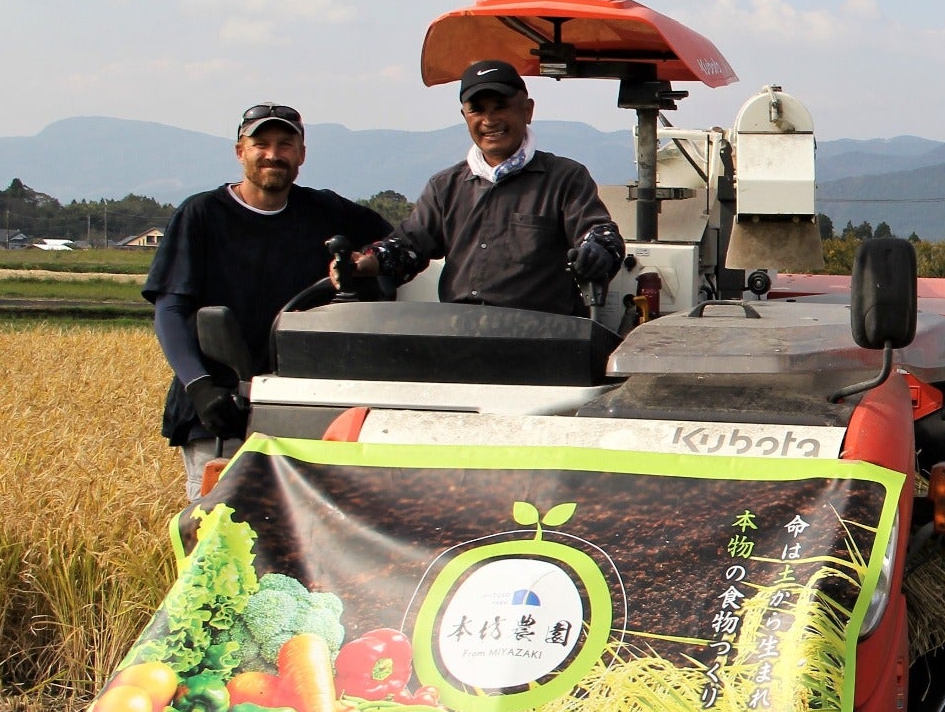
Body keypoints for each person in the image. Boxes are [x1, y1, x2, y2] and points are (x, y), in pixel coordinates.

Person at [145, 103, 392, 499]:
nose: (273, 154)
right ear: (240, 151)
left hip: (302, 411)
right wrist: (200, 387)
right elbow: (170, 309)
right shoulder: (202, 215)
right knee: (219, 533)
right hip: (221, 411)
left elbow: (402, 244)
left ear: (301, 155)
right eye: (261, 144)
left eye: (285, 144)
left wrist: (363, 265)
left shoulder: (326, 212)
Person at [341, 60, 623, 315]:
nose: (490, 120)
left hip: (543, 341)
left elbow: (601, 235)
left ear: (527, 110)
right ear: (465, 117)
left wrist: (596, 252)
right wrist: (363, 262)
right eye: (477, 110)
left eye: (500, 106)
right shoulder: (444, 186)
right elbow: (408, 248)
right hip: (460, 337)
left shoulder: (565, 178)